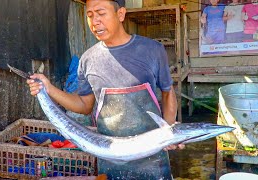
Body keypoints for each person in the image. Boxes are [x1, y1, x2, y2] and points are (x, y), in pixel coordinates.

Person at [27, 0, 183, 179]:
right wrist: (48, 88)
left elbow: (167, 91)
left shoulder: (152, 50)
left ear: (121, 14)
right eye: (90, 16)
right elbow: (84, 105)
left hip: (153, 157)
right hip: (109, 157)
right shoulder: (88, 60)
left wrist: (169, 132)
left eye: (101, 13)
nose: (95, 22)